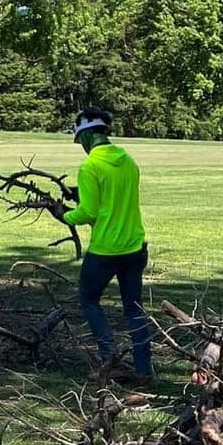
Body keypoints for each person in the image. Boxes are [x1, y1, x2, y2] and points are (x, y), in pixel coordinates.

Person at [64, 106, 152, 378]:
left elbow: (88, 213)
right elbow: (113, 200)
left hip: (105, 250)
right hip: (135, 247)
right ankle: (144, 369)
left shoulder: (91, 165)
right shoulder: (127, 161)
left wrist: (65, 214)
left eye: (80, 140)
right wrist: (82, 194)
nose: (81, 146)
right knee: (134, 309)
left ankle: (109, 359)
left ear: (88, 136)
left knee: (89, 300)